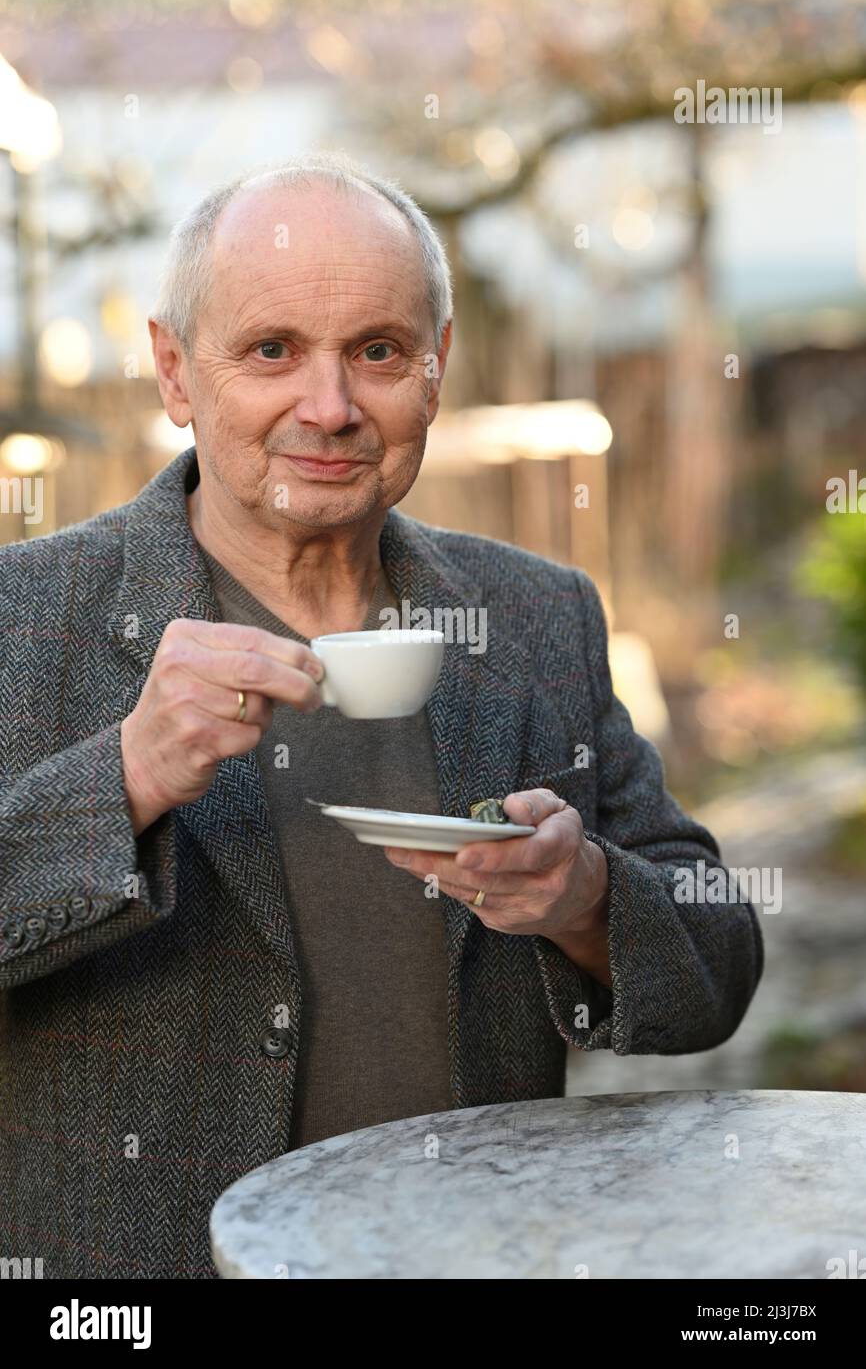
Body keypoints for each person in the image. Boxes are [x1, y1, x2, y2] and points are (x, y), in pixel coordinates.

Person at [0, 153, 763, 1279]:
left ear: (435, 369)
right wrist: (124, 775)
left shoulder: (535, 617)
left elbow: (717, 973)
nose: (331, 407)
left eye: (377, 352)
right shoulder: (26, 618)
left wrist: (586, 897)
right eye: (271, 351)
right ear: (173, 369)